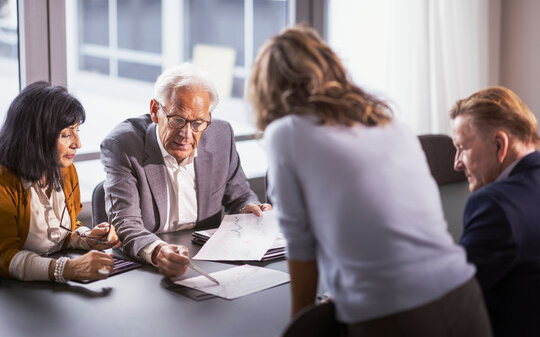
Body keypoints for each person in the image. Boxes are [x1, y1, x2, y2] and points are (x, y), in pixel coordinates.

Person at [247, 26, 492, 336]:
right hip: (462, 295)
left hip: (394, 313)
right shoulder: (387, 123)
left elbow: (301, 248)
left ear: (267, 89)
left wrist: (301, 326)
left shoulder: (286, 134)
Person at [101, 63, 270, 278]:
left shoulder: (221, 135)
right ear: (155, 111)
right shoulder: (123, 145)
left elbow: (239, 195)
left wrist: (249, 208)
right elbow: (126, 224)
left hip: (208, 261)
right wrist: (159, 252)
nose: (186, 134)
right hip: (148, 268)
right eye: (177, 120)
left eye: (198, 123)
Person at [0, 81, 120, 283]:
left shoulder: (65, 169)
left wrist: (89, 238)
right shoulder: (5, 183)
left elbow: (63, 231)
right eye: (66, 134)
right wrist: (66, 269)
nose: (77, 144)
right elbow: (4, 256)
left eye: (77, 131)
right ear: (36, 137)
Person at [450, 87, 540, 336]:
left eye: (462, 147)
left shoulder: (494, 205)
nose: (456, 163)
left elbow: (451, 296)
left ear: (499, 144)